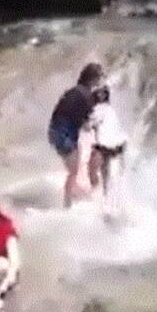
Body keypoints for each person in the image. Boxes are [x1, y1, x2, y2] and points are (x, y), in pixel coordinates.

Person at [48, 62, 105, 207]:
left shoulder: (74, 91)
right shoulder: (86, 96)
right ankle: (67, 206)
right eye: (99, 78)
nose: (100, 82)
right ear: (93, 79)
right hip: (63, 134)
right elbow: (89, 124)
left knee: (75, 162)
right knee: (73, 171)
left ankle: (74, 195)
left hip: (55, 132)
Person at [88, 86, 128, 213]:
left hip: (105, 146)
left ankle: (104, 200)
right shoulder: (112, 110)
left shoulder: (96, 111)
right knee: (119, 174)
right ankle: (120, 202)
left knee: (99, 171)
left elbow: (87, 126)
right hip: (120, 145)